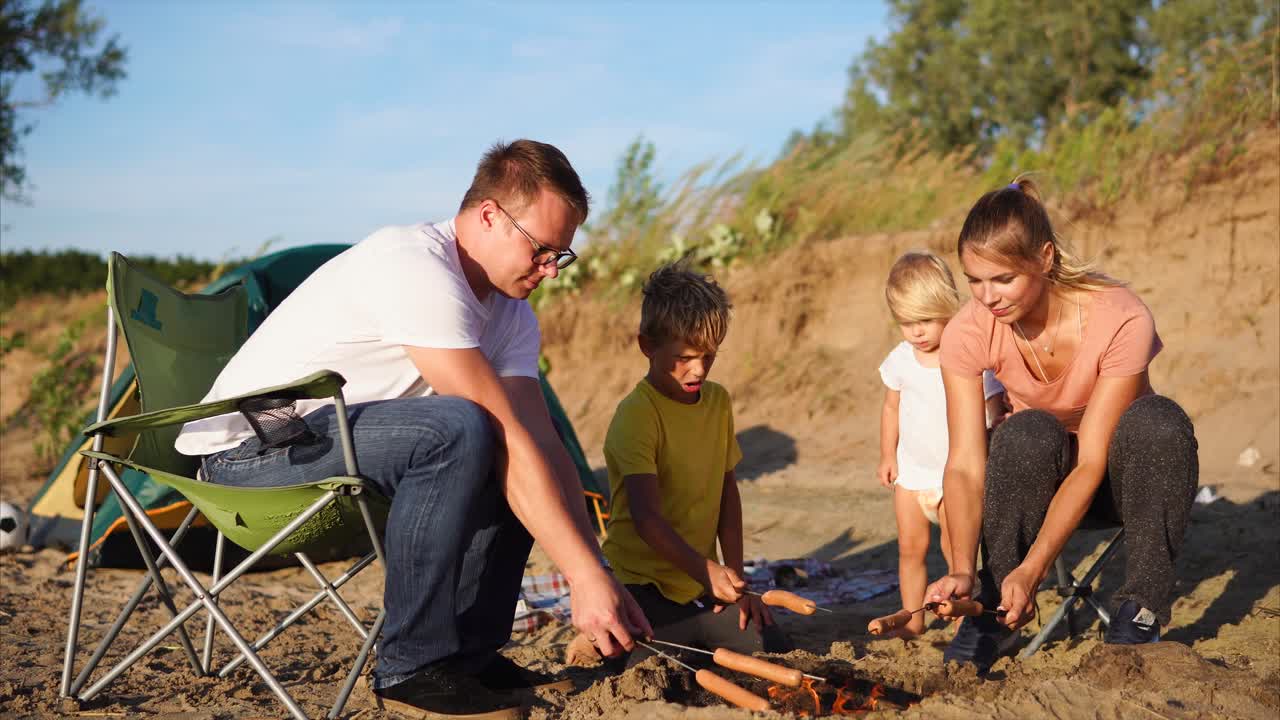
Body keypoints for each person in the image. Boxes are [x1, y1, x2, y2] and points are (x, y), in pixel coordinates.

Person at [174, 140, 652, 718]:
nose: (551, 269)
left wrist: (596, 572)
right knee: (463, 428)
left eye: (562, 256)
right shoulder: (414, 264)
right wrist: (577, 575)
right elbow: (496, 427)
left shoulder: (512, 314)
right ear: (488, 216)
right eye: (542, 249)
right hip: (250, 455)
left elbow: (539, 441)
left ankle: (468, 657)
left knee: (528, 433)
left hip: (336, 450)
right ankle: (411, 669)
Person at [925, 177, 1199, 673]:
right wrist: (961, 567)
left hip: (1124, 480)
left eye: (1003, 279)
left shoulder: (1120, 315)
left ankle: (1141, 606)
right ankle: (990, 608)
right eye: (974, 279)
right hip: (1035, 482)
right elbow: (965, 464)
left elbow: (1093, 460)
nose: (987, 297)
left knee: (1159, 423)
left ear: (1045, 257)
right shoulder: (967, 330)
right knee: (1025, 430)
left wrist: (1036, 569)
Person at [588, 262, 792, 668]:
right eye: (683, 357)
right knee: (656, 666)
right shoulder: (637, 416)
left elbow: (726, 494)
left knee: (772, 645)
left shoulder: (718, 402)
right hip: (641, 584)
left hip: (699, 582)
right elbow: (647, 520)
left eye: (708, 355)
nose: (698, 369)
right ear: (647, 345)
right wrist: (705, 571)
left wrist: (734, 580)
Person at [876, 250, 1006, 639]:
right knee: (910, 551)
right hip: (912, 475)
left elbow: (991, 409)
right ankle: (912, 618)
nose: (917, 332)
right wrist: (887, 454)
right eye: (906, 322)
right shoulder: (900, 360)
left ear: (948, 309)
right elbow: (891, 407)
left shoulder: (966, 355)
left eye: (927, 320)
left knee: (957, 552)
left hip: (953, 478)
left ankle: (964, 617)